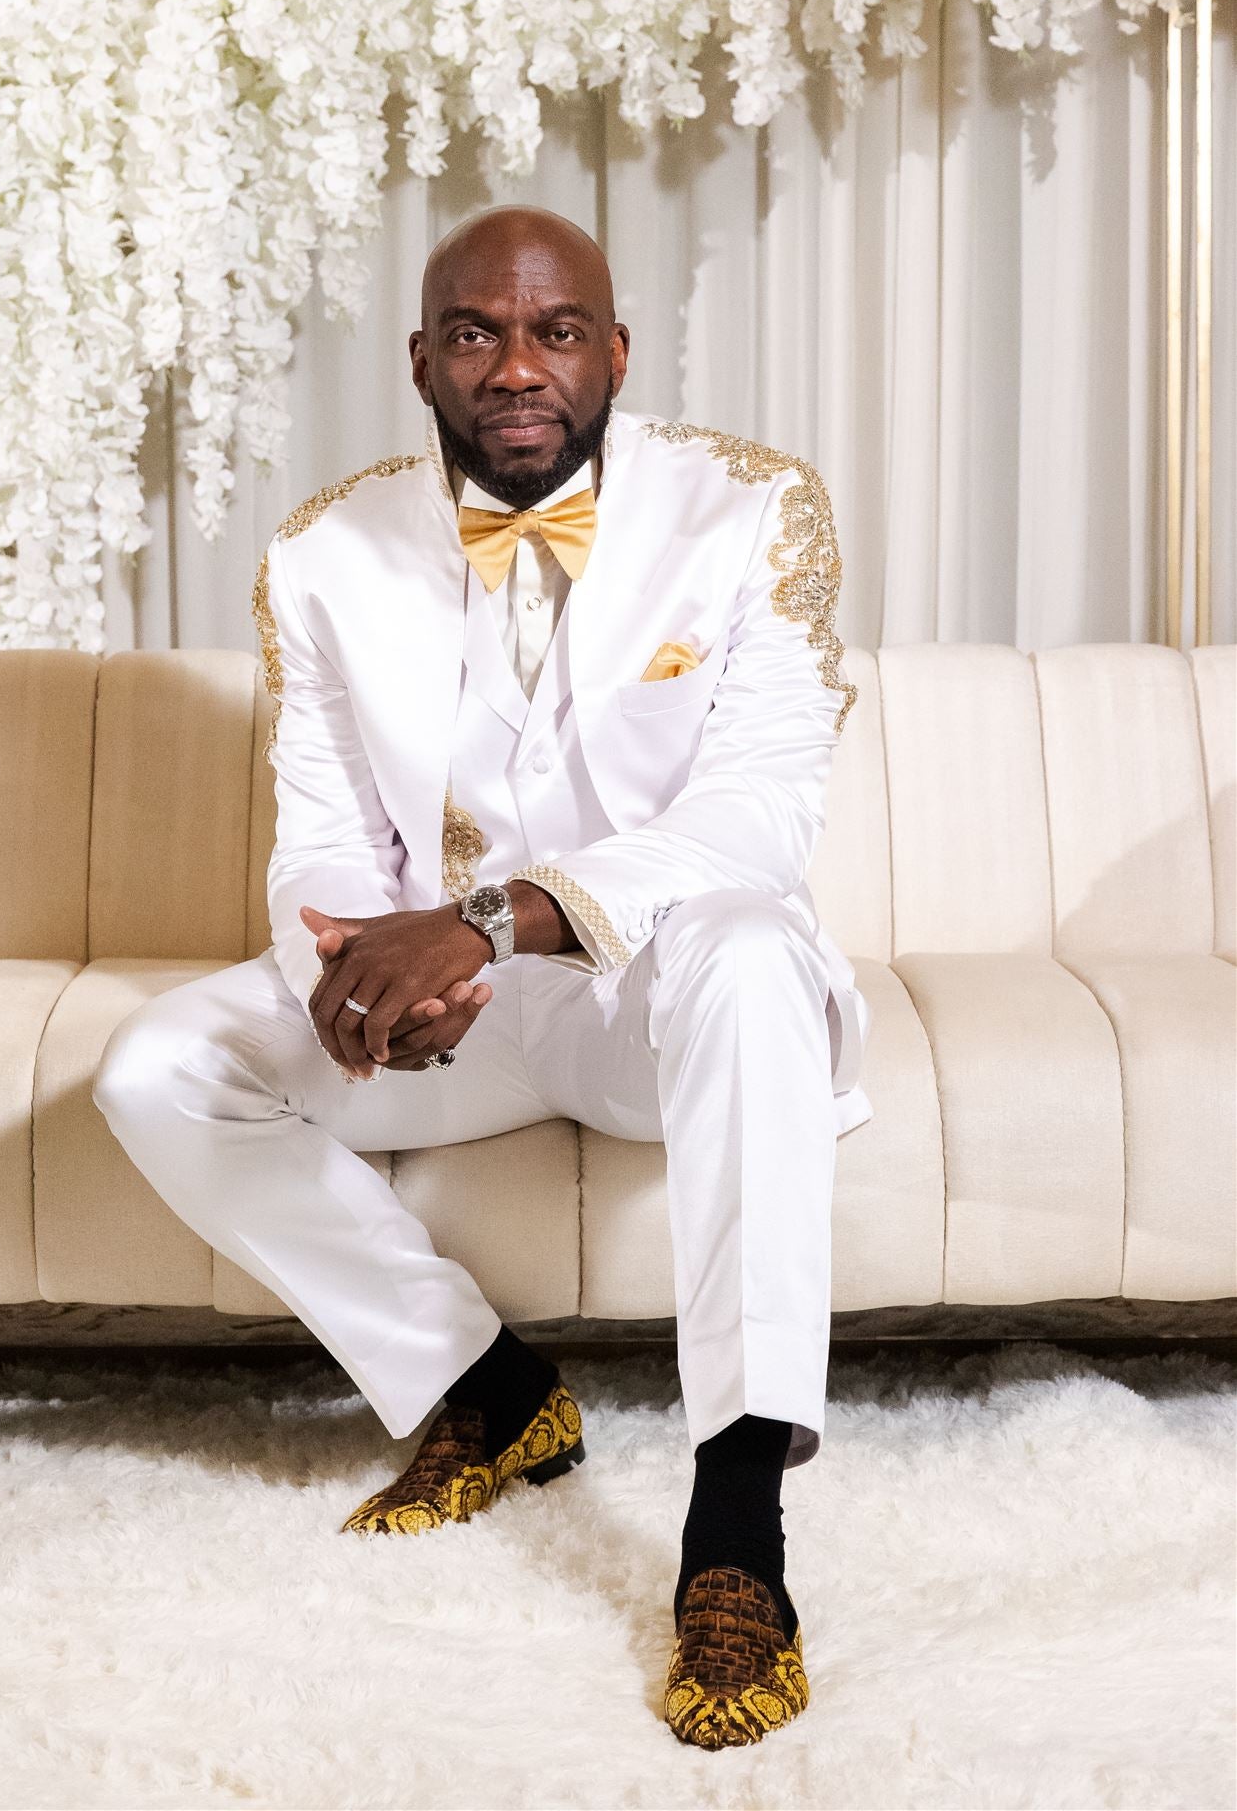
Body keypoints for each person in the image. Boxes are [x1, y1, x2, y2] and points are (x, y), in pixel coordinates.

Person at [93, 204, 873, 1751]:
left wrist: (494, 922)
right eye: (476, 333)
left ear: (614, 353)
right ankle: (493, 1394)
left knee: (747, 941)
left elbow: (757, 814)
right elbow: (322, 834)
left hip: (665, 1006)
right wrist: (351, 970)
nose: (517, 367)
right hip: (465, 1014)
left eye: (554, 331)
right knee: (155, 1068)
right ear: (421, 362)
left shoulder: (752, 508)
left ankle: (736, 1531)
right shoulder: (322, 551)